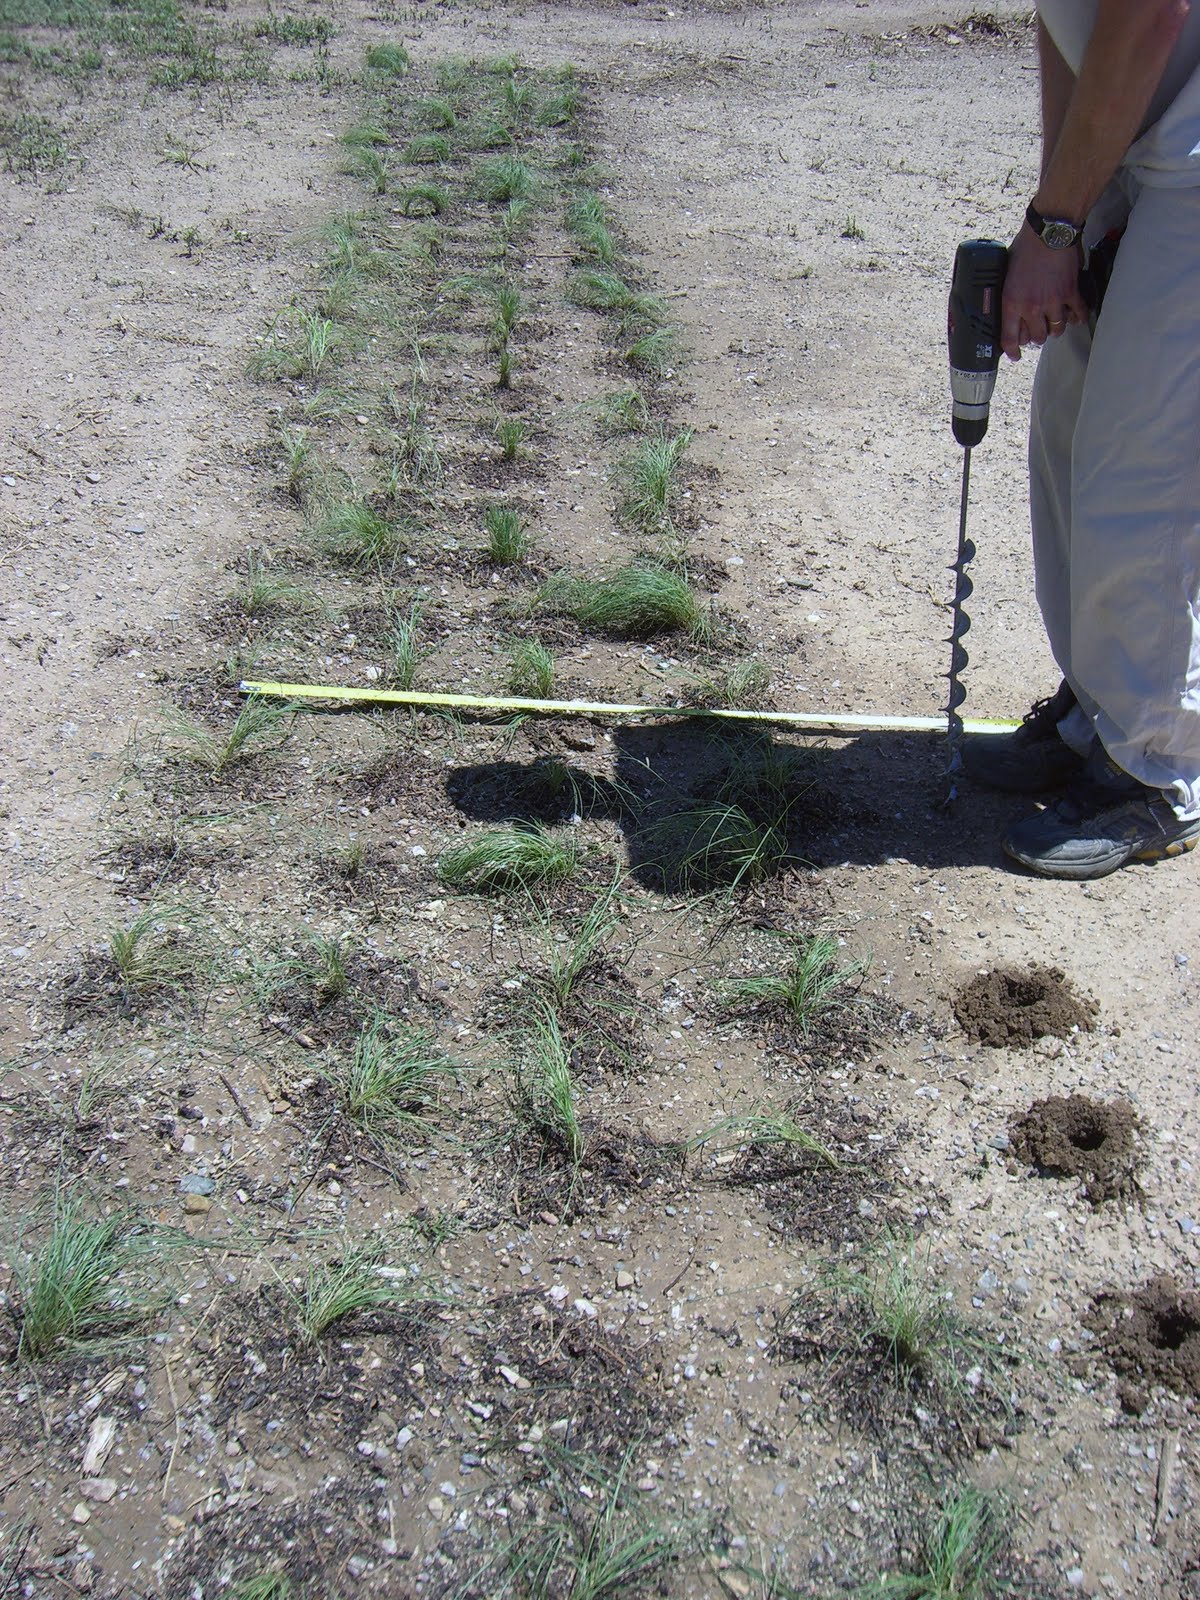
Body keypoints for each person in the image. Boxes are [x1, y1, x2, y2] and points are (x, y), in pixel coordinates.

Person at [962, 0, 1200, 879]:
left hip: (1193, 162)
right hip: (1139, 146)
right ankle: (1098, 713)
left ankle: (1156, 767)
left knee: (1146, 470)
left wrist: (1055, 225)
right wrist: (1063, 201)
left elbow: (1148, 14)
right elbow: (1073, 23)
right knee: (1071, 434)